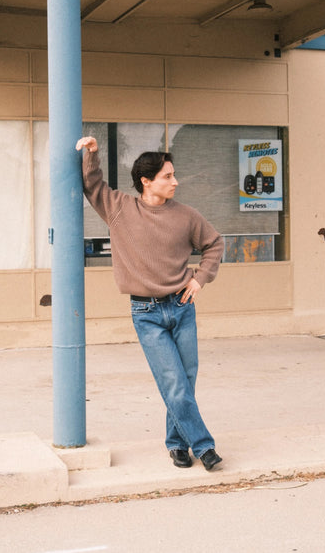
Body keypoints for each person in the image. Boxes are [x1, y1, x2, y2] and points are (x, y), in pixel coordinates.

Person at [76, 135, 224, 471]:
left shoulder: (187, 216)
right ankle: (203, 446)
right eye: (168, 176)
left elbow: (215, 244)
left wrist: (199, 278)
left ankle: (176, 444)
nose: (175, 181)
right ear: (146, 181)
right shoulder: (120, 209)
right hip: (147, 313)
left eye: (173, 175)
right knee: (174, 382)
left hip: (182, 307)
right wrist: (93, 153)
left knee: (185, 380)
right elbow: (92, 184)